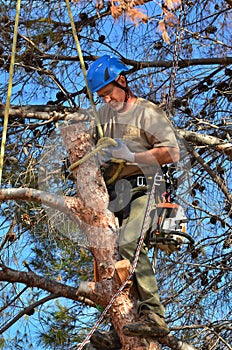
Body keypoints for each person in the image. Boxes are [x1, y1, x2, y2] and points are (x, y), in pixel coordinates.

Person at [86, 55, 180, 345]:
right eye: (100, 97)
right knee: (111, 260)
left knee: (130, 243)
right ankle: (122, 328)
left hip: (146, 187)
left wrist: (132, 156)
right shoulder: (103, 120)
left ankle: (154, 315)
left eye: (108, 93)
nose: (106, 100)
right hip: (114, 196)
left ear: (122, 81)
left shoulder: (146, 113)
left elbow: (171, 152)